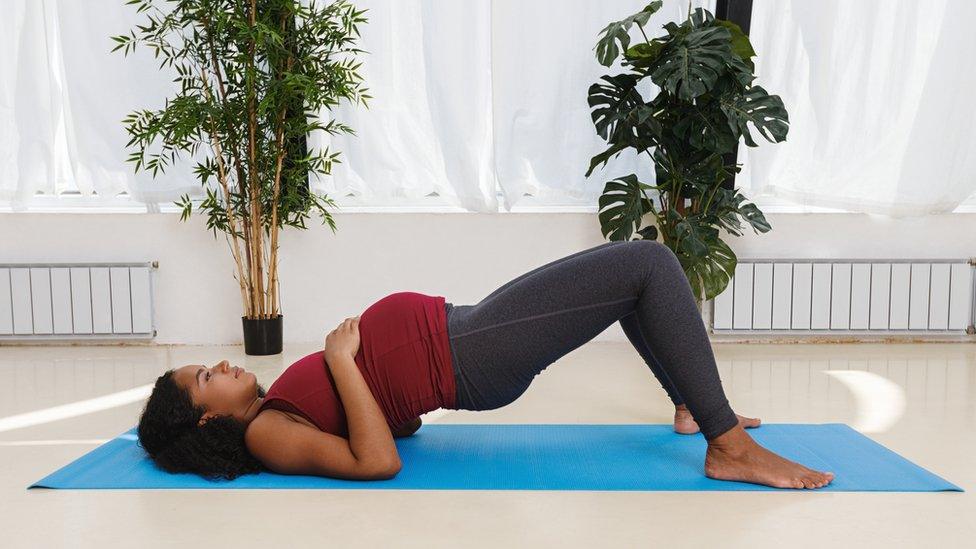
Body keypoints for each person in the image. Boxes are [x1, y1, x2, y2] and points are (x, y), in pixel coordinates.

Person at [137, 240, 834, 489]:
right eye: (207, 375)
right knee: (648, 265)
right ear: (207, 415)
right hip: (471, 355)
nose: (223, 364)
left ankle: (692, 404)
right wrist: (341, 359)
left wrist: (363, 376)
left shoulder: (272, 412)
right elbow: (376, 463)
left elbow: (385, 425)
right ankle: (728, 445)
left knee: (627, 286)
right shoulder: (264, 434)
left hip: (465, 333)